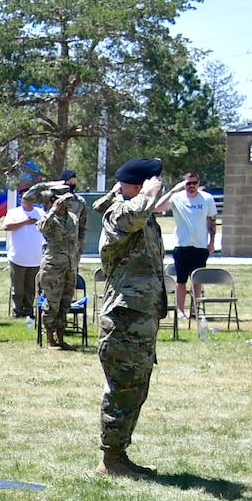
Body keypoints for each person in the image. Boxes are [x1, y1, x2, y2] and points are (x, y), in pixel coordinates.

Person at [95, 158, 176, 476]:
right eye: (154, 183)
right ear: (142, 185)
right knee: (123, 390)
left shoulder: (138, 213)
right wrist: (150, 191)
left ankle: (119, 455)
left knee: (135, 389)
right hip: (124, 318)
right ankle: (111, 460)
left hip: (139, 317)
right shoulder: (120, 213)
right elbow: (136, 213)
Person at [31, 169, 88, 349]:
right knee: (52, 303)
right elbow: (42, 227)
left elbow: (80, 234)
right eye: (62, 199)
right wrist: (53, 210)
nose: (66, 202)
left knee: (65, 303)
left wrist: (78, 254)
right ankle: (49, 339)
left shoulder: (72, 218)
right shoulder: (50, 218)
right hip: (53, 266)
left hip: (70, 265)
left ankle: (60, 337)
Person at [167, 170, 219, 321]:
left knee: (197, 280)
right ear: (184, 184)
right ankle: (180, 310)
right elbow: (158, 207)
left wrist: (212, 241)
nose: (191, 186)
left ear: (199, 183)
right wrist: (173, 190)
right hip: (182, 245)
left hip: (200, 246)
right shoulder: (177, 198)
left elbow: (212, 220)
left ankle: (195, 310)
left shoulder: (207, 199)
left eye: (194, 183)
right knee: (181, 280)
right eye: (188, 183)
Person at [4, 194, 44, 320]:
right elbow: (7, 226)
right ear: (20, 199)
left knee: (31, 288)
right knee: (18, 287)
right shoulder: (13, 213)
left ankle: (29, 309)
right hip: (18, 257)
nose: (29, 201)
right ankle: (18, 310)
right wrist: (25, 222)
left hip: (36, 257)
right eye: (26, 198)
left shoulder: (41, 212)